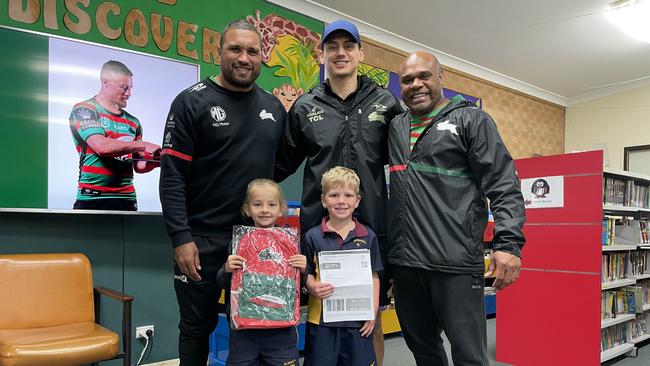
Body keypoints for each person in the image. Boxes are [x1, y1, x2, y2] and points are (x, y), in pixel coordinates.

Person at [159, 20, 287, 365]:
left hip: (254, 241)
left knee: (254, 329)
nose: (244, 58)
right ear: (219, 53)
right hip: (200, 241)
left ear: (262, 57)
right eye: (235, 49)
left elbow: (277, 168)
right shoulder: (190, 102)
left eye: (252, 51)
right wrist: (181, 238)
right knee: (195, 328)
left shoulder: (274, 109)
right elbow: (171, 177)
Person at [386, 51, 526, 366]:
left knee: (468, 356)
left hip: (456, 266)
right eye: (407, 80)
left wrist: (509, 244)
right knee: (423, 351)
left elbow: (504, 184)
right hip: (407, 265)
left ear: (440, 77)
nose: (416, 85)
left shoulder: (471, 120)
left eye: (424, 76)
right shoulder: (395, 126)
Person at [274, 20, 402, 364]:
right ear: (323, 55)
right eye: (333, 47)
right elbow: (280, 164)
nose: (341, 53)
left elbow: (409, 162)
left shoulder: (386, 103)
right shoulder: (305, 106)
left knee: (369, 317)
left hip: (372, 228)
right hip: (321, 232)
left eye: (348, 46)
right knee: (321, 315)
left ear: (360, 53)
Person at [216, 179, 306, 366]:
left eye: (271, 204)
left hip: (280, 331)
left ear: (281, 209)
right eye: (257, 204)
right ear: (247, 209)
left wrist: (304, 269)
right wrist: (226, 269)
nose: (265, 210)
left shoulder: (290, 243)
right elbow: (223, 283)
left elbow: (300, 285)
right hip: (245, 330)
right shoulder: (239, 242)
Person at [302, 166, 382, 366]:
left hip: (358, 322)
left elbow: (374, 276)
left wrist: (372, 314)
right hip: (321, 322)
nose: (341, 201)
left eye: (348, 195)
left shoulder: (368, 236)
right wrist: (312, 286)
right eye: (334, 195)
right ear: (323, 200)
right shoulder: (312, 236)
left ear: (357, 201)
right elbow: (306, 273)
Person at [68, 60, 160, 211]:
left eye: (130, 88)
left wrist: (157, 161)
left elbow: (138, 165)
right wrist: (143, 144)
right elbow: (101, 146)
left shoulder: (133, 122)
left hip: (127, 198)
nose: (129, 94)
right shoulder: (84, 109)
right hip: (93, 197)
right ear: (106, 83)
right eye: (124, 88)